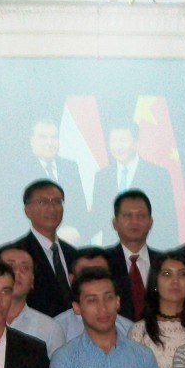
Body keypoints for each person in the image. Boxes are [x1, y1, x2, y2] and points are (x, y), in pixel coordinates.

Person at [0, 244, 65, 357]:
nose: (17, 273)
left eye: (24, 268)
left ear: (33, 280)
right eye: (10, 266)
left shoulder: (50, 330)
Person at [91, 123, 173, 242]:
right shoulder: (102, 176)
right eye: (113, 141)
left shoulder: (158, 175)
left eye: (123, 141)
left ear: (135, 142)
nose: (118, 146)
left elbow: (168, 220)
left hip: (149, 247)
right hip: (111, 249)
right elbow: (97, 217)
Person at [8, 179, 78, 318]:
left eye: (57, 202)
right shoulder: (17, 253)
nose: (51, 208)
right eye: (42, 202)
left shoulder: (73, 254)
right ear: (27, 211)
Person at [21, 119, 88, 234]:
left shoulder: (70, 167)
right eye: (43, 137)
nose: (50, 143)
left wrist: (77, 231)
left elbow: (80, 208)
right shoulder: (21, 169)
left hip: (70, 238)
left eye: (54, 137)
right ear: (32, 141)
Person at [105, 190, 161, 322]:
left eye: (141, 216)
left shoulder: (164, 263)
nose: (134, 222)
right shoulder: (103, 262)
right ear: (114, 223)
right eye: (127, 216)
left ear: (150, 222)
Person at [56, 248, 135, 342]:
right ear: (71, 279)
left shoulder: (129, 330)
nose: (94, 280)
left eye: (100, 273)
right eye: (86, 274)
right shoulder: (58, 329)